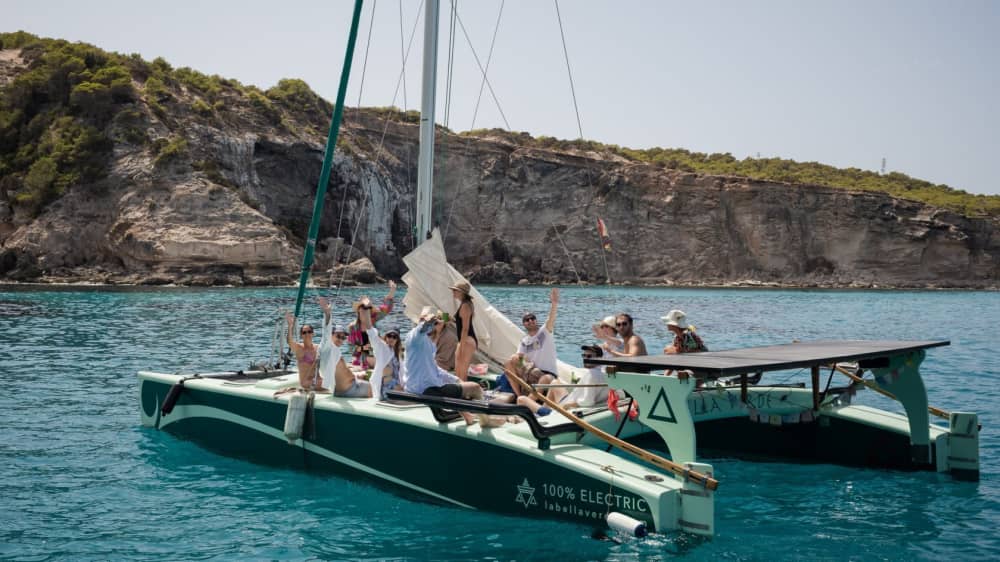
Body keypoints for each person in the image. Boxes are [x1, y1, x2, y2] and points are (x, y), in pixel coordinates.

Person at [404, 309, 483, 424]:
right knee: (475, 387)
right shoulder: (414, 337)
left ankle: (468, 415)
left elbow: (435, 369)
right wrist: (428, 321)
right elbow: (422, 328)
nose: (434, 326)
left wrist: (457, 379)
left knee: (461, 387)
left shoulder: (427, 342)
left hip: (430, 387)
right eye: (433, 323)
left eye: (436, 323)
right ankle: (485, 416)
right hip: (425, 389)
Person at [515, 345, 610, 416]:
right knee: (555, 383)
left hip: (563, 412)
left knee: (521, 399)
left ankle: (543, 415)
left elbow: (587, 402)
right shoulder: (605, 372)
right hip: (570, 400)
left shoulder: (591, 375)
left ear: (599, 358)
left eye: (589, 356)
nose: (585, 358)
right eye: (583, 355)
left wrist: (566, 406)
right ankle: (543, 411)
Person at [318, 296, 373, 398]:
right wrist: (327, 313)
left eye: (343, 337)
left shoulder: (335, 351)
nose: (341, 339)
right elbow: (326, 331)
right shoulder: (327, 346)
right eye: (338, 336)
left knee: (373, 384)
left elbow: (340, 371)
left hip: (353, 384)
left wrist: (356, 374)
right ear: (331, 335)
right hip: (348, 390)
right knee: (376, 388)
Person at [359, 295, 402, 400]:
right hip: (385, 388)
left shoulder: (397, 352)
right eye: (389, 336)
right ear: (385, 337)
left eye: (394, 336)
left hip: (396, 385)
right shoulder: (381, 347)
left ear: (398, 339)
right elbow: (370, 328)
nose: (391, 338)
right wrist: (366, 308)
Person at [347, 280, 396, 368]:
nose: (366, 310)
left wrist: (392, 290)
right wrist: (364, 348)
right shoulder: (353, 327)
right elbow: (351, 348)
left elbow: (387, 308)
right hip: (360, 358)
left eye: (368, 308)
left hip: (375, 355)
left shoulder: (373, 318)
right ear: (358, 310)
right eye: (363, 308)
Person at [516, 287, 560, 377]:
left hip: (548, 374)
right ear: (523, 324)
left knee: (539, 375)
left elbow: (551, 319)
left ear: (536, 320)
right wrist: (523, 366)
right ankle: (517, 390)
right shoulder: (524, 342)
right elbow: (519, 357)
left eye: (532, 318)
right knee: (511, 361)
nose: (530, 320)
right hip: (532, 372)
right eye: (527, 320)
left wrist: (554, 304)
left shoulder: (545, 332)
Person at [285, 309, 323, 390]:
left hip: (317, 379)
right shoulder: (299, 348)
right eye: (304, 332)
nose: (307, 334)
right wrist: (290, 325)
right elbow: (289, 341)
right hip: (306, 382)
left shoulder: (318, 348)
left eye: (309, 332)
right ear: (301, 335)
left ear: (313, 333)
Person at [450, 281, 477, 381]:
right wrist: (451, 319)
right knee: (459, 371)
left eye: (455, 290)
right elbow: (461, 323)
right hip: (467, 339)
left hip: (466, 340)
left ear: (462, 292)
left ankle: (463, 393)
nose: (453, 292)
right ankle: (463, 392)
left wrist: (461, 346)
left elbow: (465, 328)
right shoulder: (466, 304)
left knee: (461, 372)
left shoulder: (465, 305)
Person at [423, 306, 458, 372]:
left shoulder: (449, 338)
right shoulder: (431, 333)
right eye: (433, 322)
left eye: (437, 322)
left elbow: (443, 360)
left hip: (443, 364)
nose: (435, 324)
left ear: (443, 322)